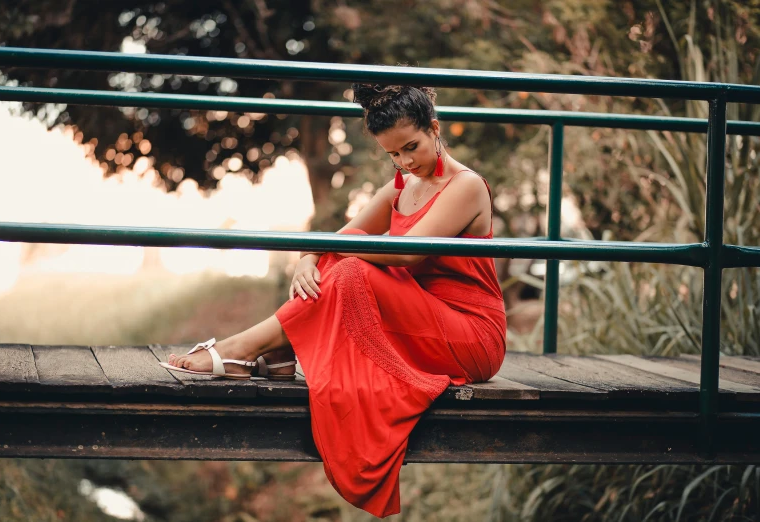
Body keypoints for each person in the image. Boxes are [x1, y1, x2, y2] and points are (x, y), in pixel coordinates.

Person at [162, 83, 507, 518]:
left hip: (471, 335)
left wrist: (329, 253)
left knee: (352, 267)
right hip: (420, 319)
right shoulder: (400, 187)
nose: (405, 162)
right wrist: (308, 258)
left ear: (435, 129)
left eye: (412, 147)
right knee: (345, 261)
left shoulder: (467, 185)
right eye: (393, 155)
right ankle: (271, 351)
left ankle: (245, 349)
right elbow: (338, 239)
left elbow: (407, 252)